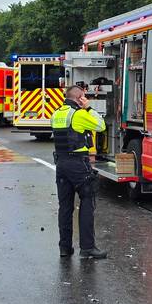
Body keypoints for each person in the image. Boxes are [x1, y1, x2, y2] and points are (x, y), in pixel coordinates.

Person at [51, 85, 108, 259]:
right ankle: (87, 248)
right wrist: (89, 107)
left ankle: (65, 248)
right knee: (87, 201)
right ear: (80, 98)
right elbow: (101, 126)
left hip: (61, 164)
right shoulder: (79, 114)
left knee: (65, 206)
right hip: (77, 163)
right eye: (83, 97)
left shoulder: (57, 114)